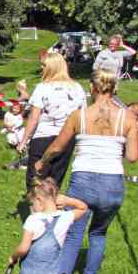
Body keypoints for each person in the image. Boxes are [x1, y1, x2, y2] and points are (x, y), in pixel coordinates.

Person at [36, 70, 138, 274]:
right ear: (114, 89)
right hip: (112, 182)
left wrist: (42, 162)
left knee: (73, 233)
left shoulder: (79, 115)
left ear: (92, 88)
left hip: (82, 180)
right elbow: (132, 156)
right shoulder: (128, 117)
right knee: (98, 233)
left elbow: (57, 146)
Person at [17, 50, 87, 192]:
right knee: (55, 181)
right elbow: (83, 117)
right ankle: (51, 209)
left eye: (44, 66)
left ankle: (37, 209)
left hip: (43, 138)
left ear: (52, 67)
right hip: (67, 139)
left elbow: (34, 117)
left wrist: (24, 140)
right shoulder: (78, 88)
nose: (42, 69)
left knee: (35, 181)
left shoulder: (42, 88)